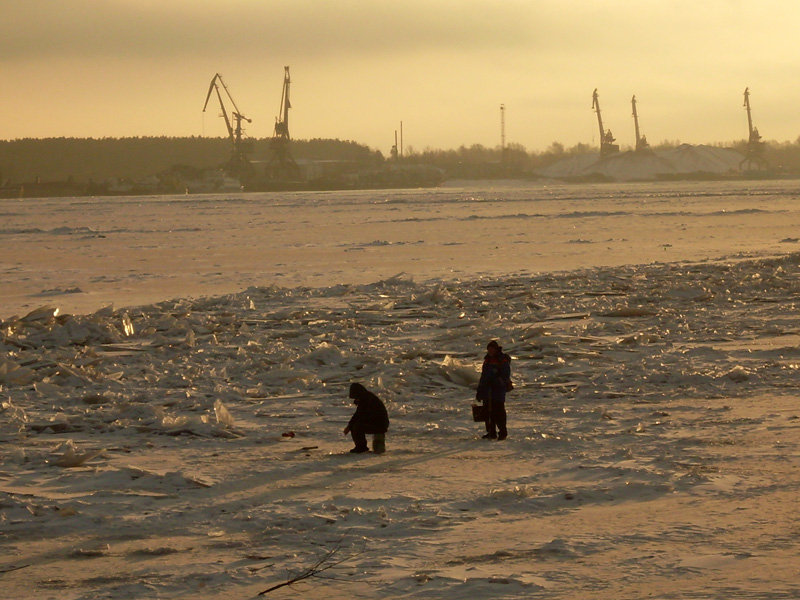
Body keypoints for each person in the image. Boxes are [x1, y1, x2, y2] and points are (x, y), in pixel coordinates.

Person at [475, 340, 511, 440]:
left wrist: (495, 382)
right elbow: (483, 377)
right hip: (487, 391)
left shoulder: (502, 360)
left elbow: (505, 376)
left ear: (496, 349)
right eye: (489, 349)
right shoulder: (487, 360)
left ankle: (502, 432)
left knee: (498, 412)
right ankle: (491, 432)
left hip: (497, 392)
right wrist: (479, 391)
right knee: (487, 412)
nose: (490, 351)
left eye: (492, 349)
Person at [343, 383, 390, 454]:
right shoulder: (364, 399)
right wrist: (349, 426)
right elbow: (357, 415)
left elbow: (364, 415)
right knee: (355, 426)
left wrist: (352, 425)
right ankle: (360, 447)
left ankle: (362, 448)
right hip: (374, 422)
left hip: (379, 424)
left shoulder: (369, 400)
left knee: (357, 426)